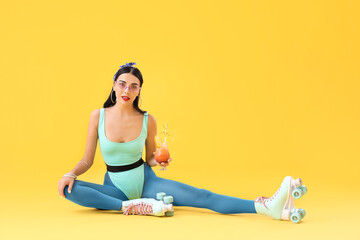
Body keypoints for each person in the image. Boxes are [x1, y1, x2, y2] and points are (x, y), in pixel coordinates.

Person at [57, 62, 307, 222]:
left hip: (146, 182)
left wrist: (160, 160)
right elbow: (86, 160)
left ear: (139, 91)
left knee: (202, 196)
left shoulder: (147, 120)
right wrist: (70, 173)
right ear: (113, 86)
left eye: (134, 86)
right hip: (116, 187)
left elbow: (150, 158)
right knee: (69, 189)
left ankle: (266, 207)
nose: (127, 90)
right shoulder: (97, 116)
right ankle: (131, 206)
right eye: (122, 84)